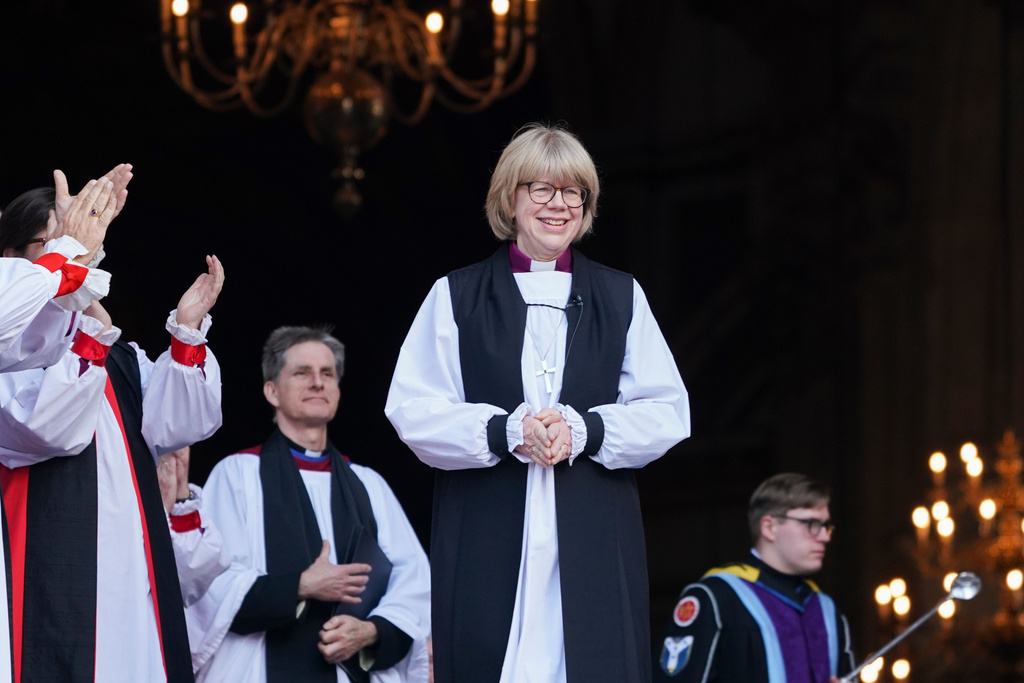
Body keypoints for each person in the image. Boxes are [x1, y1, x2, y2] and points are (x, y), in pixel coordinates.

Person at [385, 122, 691, 683]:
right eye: (541, 189)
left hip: (593, 531)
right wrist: (507, 431)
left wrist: (586, 432)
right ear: (510, 197)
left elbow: (668, 410)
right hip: (487, 531)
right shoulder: (456, 294)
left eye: (573, 191)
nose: (559, 204)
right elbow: (412, 409)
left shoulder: (621, 295)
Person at [0, 184, 225, 682]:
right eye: (56, 243)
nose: (75, 257)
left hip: (131, 564)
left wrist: (186, 334)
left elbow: (183, 424)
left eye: (85, 242)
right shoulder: (8, 356)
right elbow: (47, 431)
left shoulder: (121, 354)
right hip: (51, 559)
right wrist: (89, 338)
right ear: (11, 260)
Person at [188, 326, 430, 682]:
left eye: (327, 374)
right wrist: (300, 585)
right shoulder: (237, 474)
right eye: (302, 372)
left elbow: (413, 581)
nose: (318, 382)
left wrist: (372, 631)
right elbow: (210, 584)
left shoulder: (369, 484)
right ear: (272, 391)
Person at [654, 473, 855, 683]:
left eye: (826, 526)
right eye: (811, 523)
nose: (824, 537)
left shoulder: (825, 610)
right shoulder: (717, 598)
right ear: (769, 527)